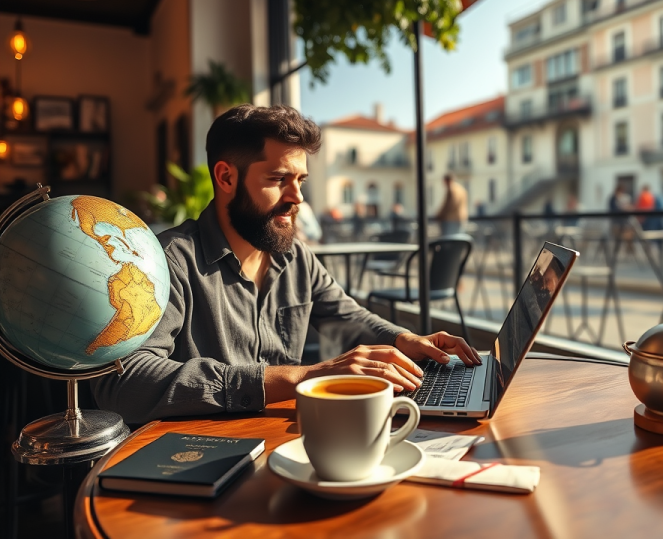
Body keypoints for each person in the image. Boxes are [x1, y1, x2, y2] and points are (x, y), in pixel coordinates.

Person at [92, 105, 480, 424]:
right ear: (226, 177)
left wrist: (406, 340)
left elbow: (346, 318)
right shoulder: (169, 262)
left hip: (283, 438)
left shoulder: (294, 257)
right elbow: (124, 385)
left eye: (301, 180)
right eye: (279, 178)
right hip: (200, 456)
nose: (297, 197)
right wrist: (304, 377)